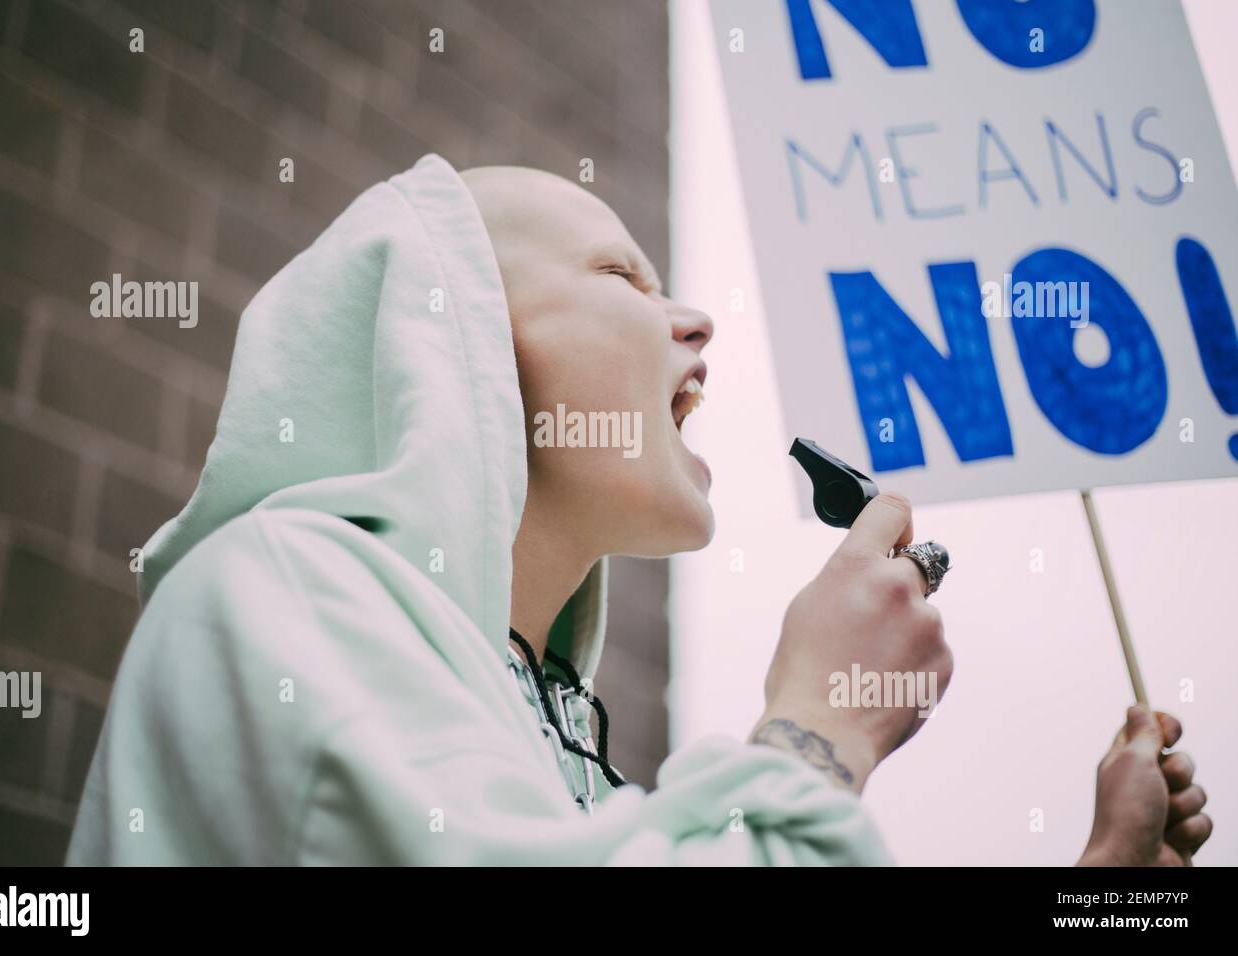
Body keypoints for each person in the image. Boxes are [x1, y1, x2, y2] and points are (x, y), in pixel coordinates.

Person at [65, 154, 1210, 865]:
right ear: (454, 335)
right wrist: (818, 726)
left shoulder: (580, 763)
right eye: (622, 278)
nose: (694, 321)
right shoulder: (276, 592)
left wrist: (1107, 875)